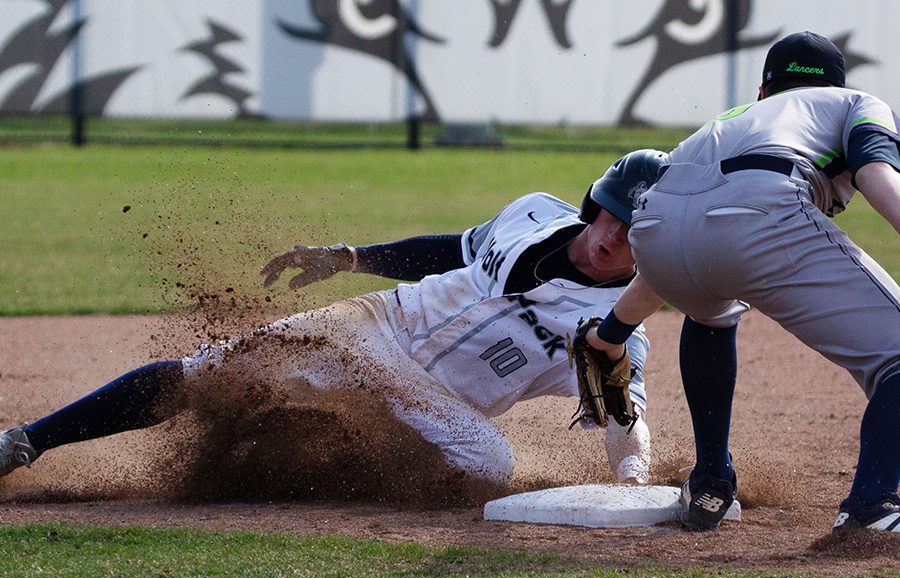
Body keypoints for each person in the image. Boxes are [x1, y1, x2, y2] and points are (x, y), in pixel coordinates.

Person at [0, 149, 669, 495]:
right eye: (611, 213)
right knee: (210, 376)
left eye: (635, 232)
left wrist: (633, 483)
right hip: (371, 327)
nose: (612, 237)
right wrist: (350, 257)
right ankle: (25, 442)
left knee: (489, 460)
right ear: (594, 202)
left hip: (434, 407)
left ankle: (307, 471)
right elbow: (452, 249)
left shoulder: (615, 326)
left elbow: (622, 415)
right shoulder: (533, 213)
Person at [585, 32, 900, 532]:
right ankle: (871, 506)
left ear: (763, 89)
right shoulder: (855, 103)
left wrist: (610, 334)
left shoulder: (729, 120)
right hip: (762, 206)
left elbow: (688, 242)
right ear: (837, 85)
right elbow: (875, 172)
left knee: (708, 306)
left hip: (656, 222)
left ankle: (711, 480)